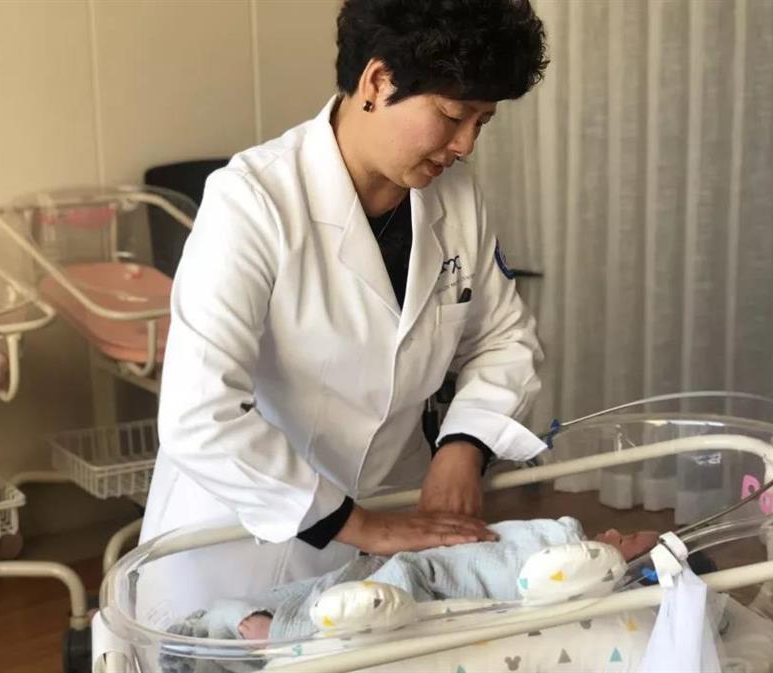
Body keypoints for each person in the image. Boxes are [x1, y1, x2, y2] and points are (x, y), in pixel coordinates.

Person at [139, 0, 551, 614]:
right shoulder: (252, 202)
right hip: (244, 537)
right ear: (378, 81)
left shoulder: (456, 198)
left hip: (398, 518)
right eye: (452, 115)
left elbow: (503, 338)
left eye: (482, 122)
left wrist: (463, 447)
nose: (465, 145)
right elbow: (200, 413)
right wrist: (359, 525)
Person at [164, 520, 658, 643]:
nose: (613, 532)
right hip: (253, 510)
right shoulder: (561, 538)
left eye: (626, 538)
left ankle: (290, 635)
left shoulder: (575, 562)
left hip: (411, 566)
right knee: (327, 590)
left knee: (381, 594)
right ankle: (222, 630)